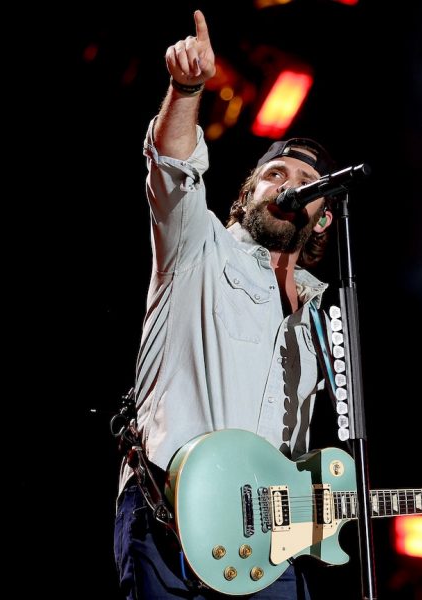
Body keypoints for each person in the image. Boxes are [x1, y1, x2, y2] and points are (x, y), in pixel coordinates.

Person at [113, 9, 341, 599]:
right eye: (273, 174)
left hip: (264, 551)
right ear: (248, 196)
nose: (286, 184)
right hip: (171, 530)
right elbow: (172, 168)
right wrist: (187, 89)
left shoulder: (319, 321)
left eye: (302, 179)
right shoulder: (199, 246)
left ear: (325, 216)